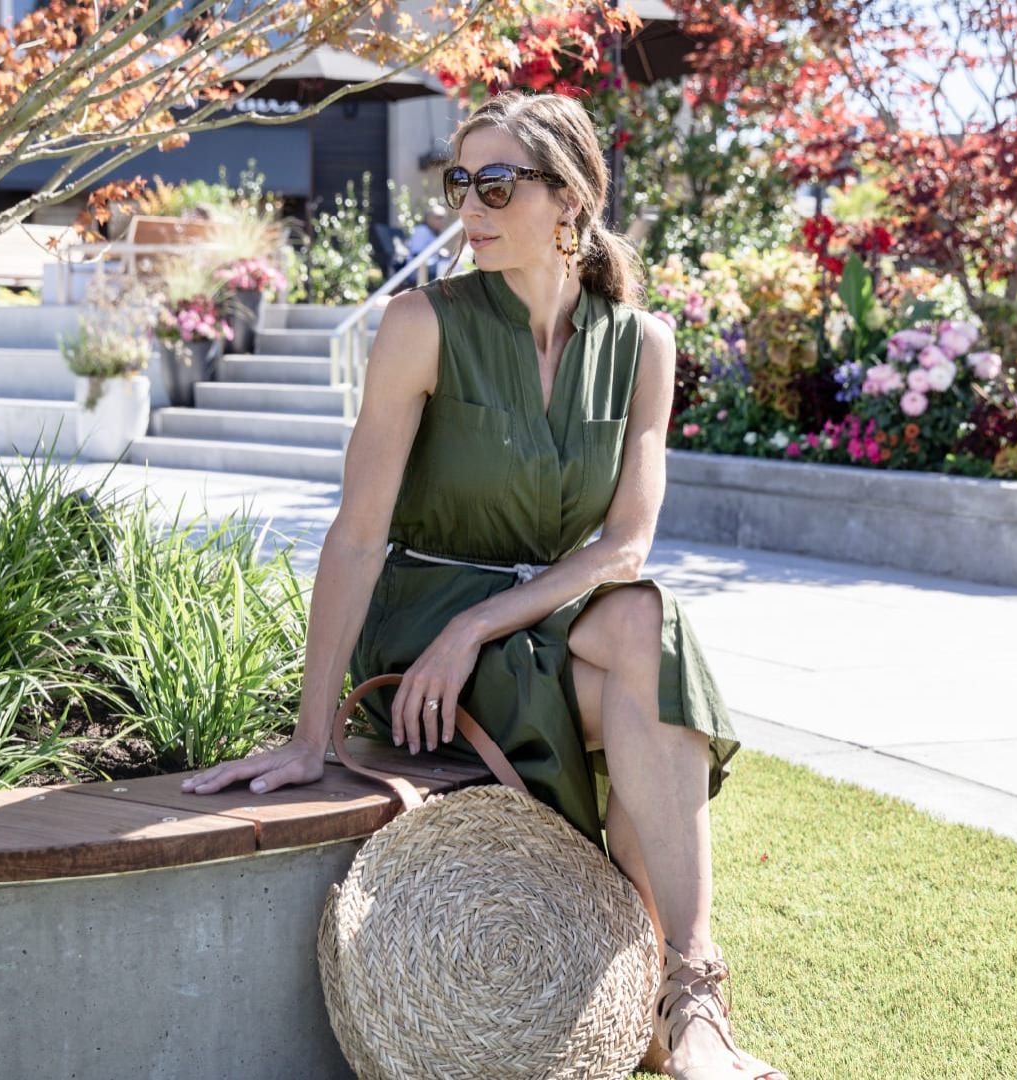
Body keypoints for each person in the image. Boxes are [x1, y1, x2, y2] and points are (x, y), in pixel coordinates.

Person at [178, 90, 784, 1080]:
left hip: (538, 618)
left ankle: (688, 992)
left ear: (569, 199)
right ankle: (681, 1019)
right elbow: (357, 532)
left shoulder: (643, 345)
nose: (471, 205)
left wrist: (489, 625)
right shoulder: (422, 323)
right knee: (645, 689)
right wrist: (312, 732)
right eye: (459, 182)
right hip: (425, 625)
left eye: (497, 183)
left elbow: (625, 545)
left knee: (646, 629)